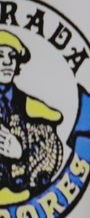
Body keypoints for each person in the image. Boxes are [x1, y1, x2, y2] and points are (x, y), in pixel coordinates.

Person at [0, 29, 63, 205]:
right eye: (0, 55)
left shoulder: (35, 110)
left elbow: (50, 152)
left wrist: (21, 153)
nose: (7, 62)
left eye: (12, 56)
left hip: (22, 197)